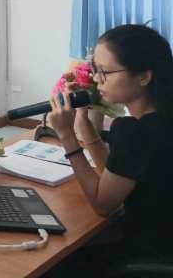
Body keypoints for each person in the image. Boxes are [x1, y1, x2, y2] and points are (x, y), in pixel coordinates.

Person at [48, 24, 173, 273]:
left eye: (104, 72)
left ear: (144, 77)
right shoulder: (160, 120)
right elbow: (116, 173)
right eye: (95, 70)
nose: (96, 79)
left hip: (147, 252)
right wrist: (82, 122)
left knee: (51, 261)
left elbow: (103, 204)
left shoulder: (136, 131)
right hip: (162, 243)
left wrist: (67, 135)